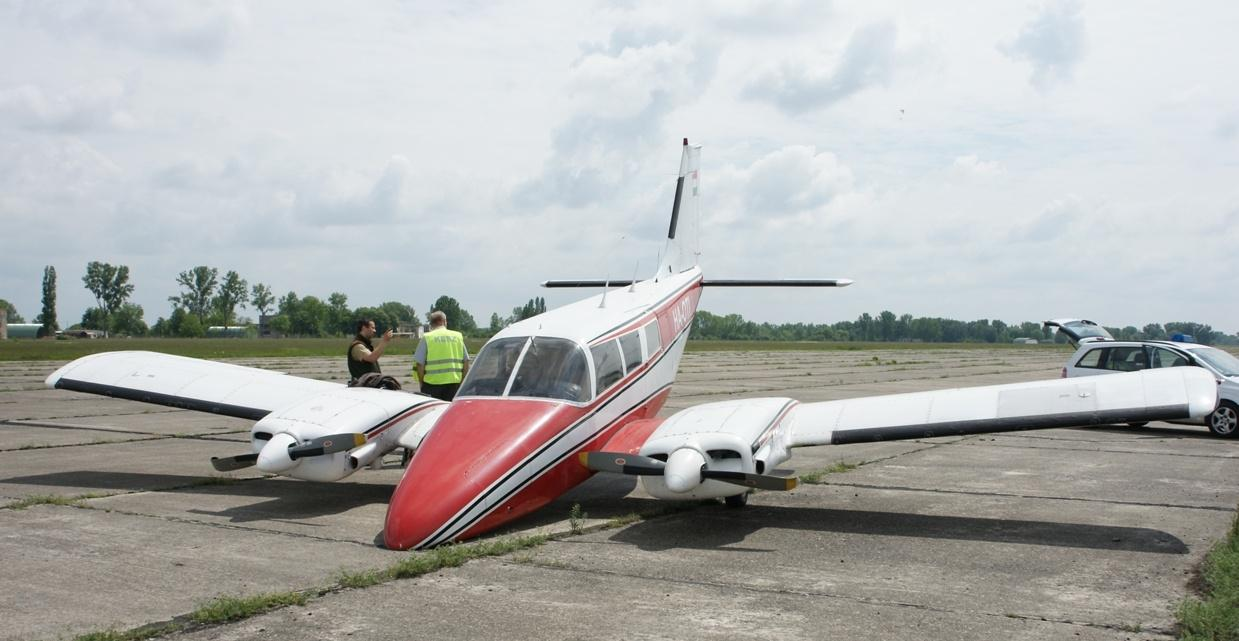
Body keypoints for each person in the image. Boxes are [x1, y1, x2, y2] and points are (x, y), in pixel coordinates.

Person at [414, 310, 470, 401]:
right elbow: (466, 361)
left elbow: (419, 364)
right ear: (442, 321)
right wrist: (462, 381)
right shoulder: (457, 336)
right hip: (454, 385)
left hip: (432, 385)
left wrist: (422, 382)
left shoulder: (427, 337)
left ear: (432, 323)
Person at [347, 319, 394, 384]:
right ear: (364, 328)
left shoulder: (365, 345)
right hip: (363, 388)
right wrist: (384, 341)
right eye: (372, 328)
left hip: (369, 386)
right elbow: (372, 358)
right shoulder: (357, 346)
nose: (375, 331)